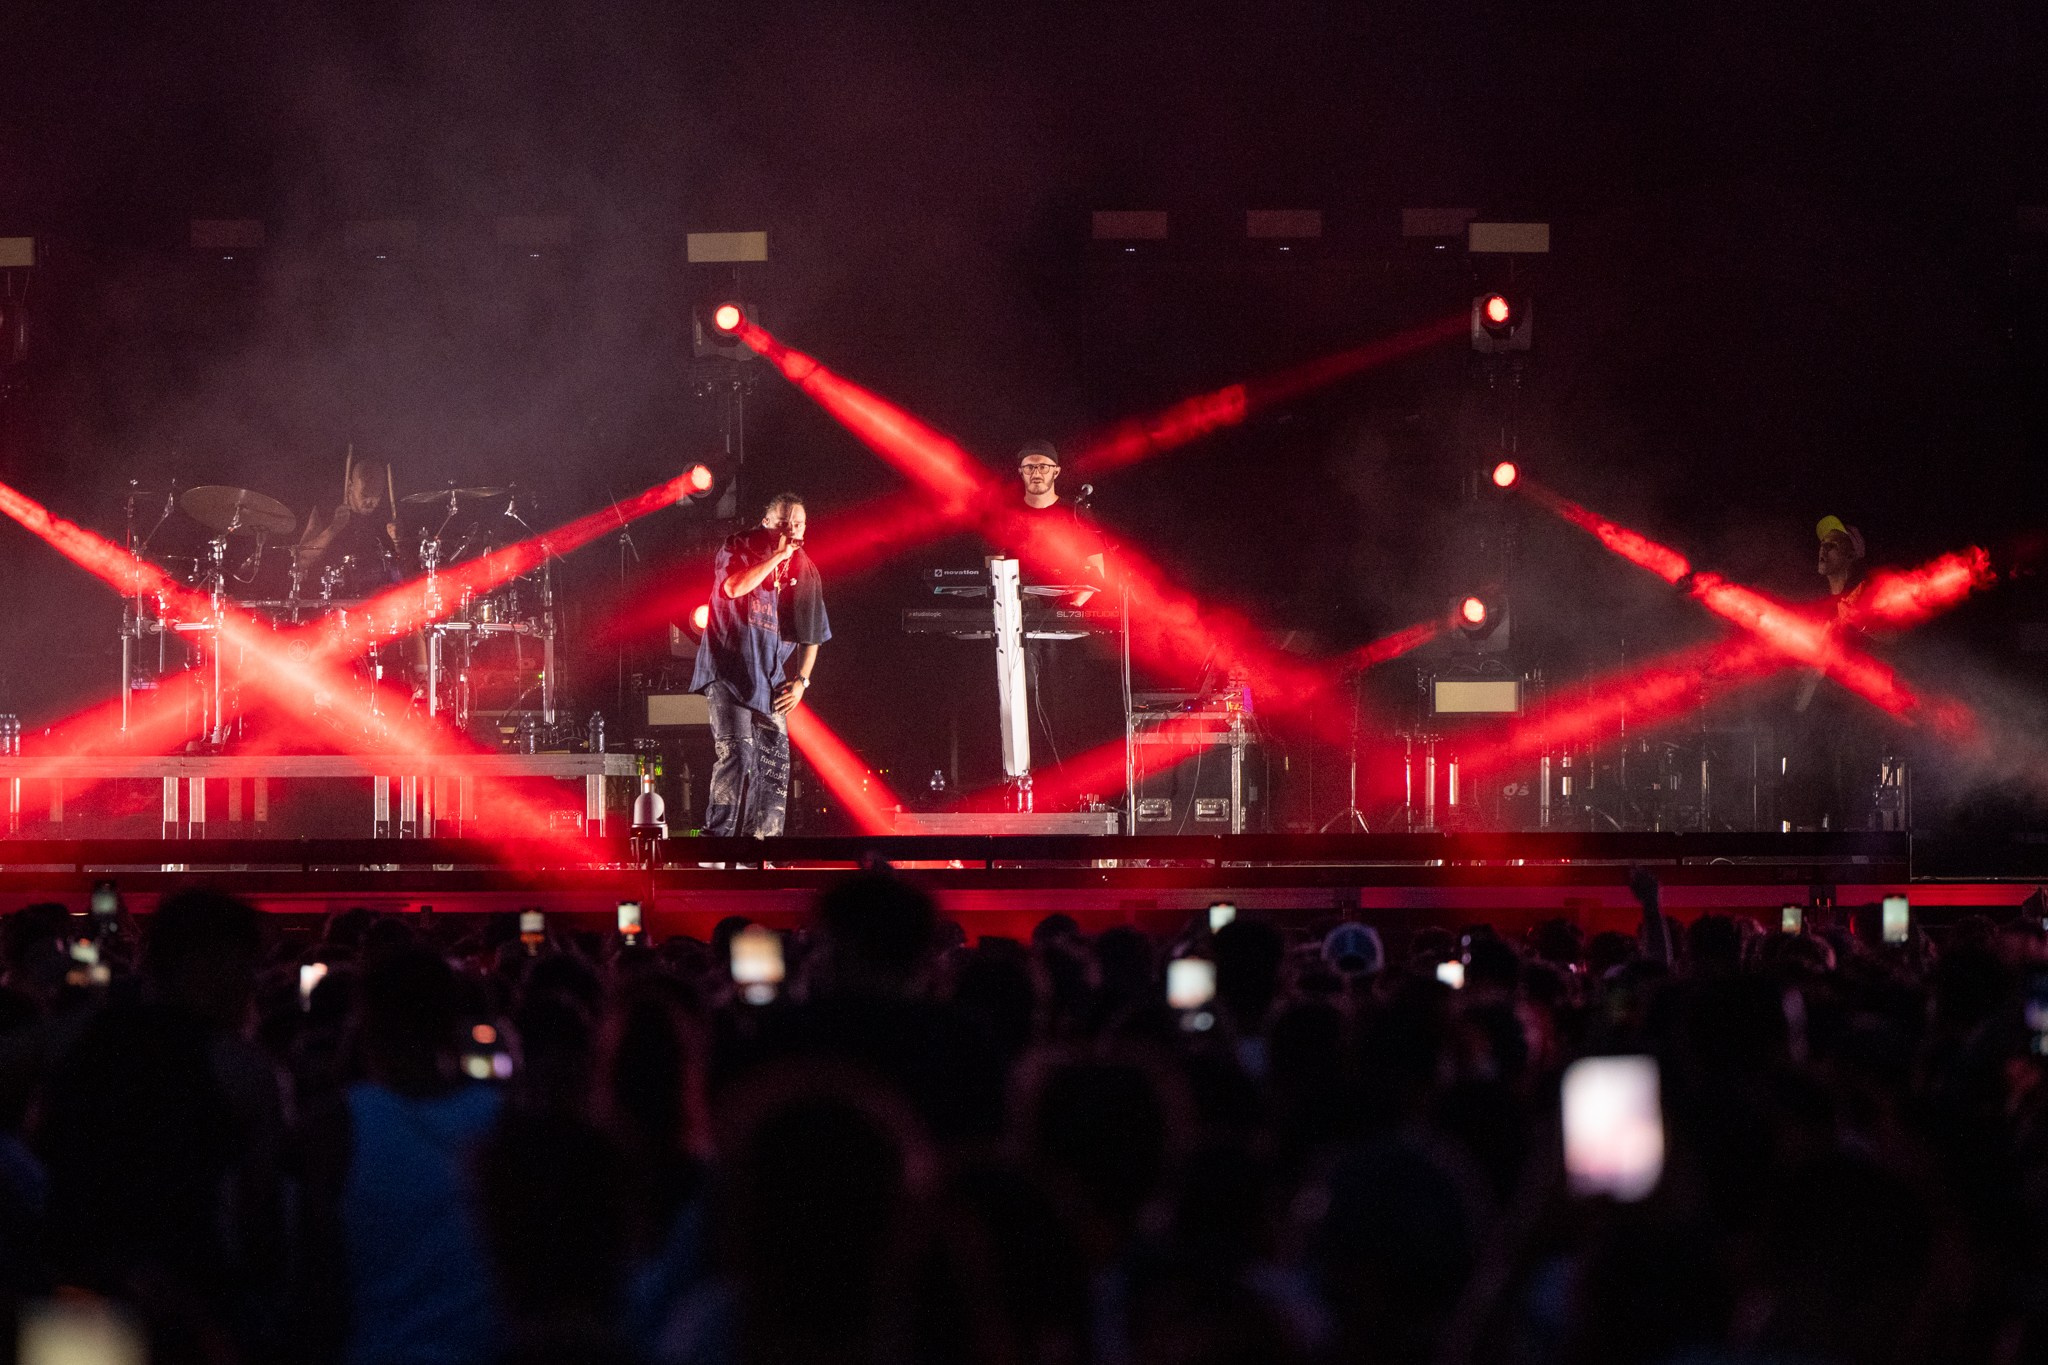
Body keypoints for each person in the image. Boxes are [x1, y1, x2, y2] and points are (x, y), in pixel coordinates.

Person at [691, 493, 831, 839]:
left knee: (774, 763)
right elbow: (734, 587)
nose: (792, 530)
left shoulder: (805, 569)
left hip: (769, 679)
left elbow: (812, 633)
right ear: (766, 522)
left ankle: (762, 844)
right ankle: (718, 843)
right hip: (729, 670)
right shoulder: (738, 546)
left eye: (798, 524)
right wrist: (778, 556)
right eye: (784, 522)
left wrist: (801, 681)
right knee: (737, 752)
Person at [1784, 514, 1881, 829]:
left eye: (1833, 546)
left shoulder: (1868, 599)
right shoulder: (1814, 606)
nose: (1823, 551)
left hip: (1853, 720)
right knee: (1806, 801)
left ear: (1851, 554)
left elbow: (1896, 640)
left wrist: (1858, 623)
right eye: (1821, 545)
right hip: (1812, 720)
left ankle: (1851, 870)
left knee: (1849, 805)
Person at [296, 455, 402, 594]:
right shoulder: (327, 509)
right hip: (331, 599)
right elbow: (301, 561)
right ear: (350, 487)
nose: (371, 502)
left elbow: (403, 570)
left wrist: (397, 542)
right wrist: (333, 528)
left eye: (376, 495)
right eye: (365, 495)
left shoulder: (386, 516)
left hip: (378, 601)